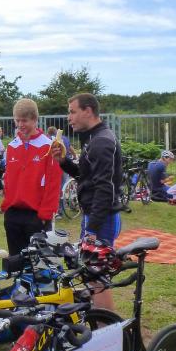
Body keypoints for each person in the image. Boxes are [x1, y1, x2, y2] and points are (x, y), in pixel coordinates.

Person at [52, 93, 123, 311]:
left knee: (97, 277)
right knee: (92, 274)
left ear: (88, 111)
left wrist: (92, 229)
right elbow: (85, 176)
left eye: (72, 112)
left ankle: (106, 326)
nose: (69, 118)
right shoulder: (93, 138)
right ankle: (99, 320)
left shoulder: (101, 141)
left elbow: (105, 188)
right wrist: (63, 161)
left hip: (102, 217)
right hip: (94, 215)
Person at [1, 99, 61, 257]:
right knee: (16, 261)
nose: (20, 125)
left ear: (35, 120)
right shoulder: (12, 146)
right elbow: (8, 180)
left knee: (39, 263)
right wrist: (6, 206)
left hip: (36, 216)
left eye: (24, 120)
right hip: (13, 214)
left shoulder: (49, 146)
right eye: (17, 120)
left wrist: (45, 214)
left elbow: (53, 183)